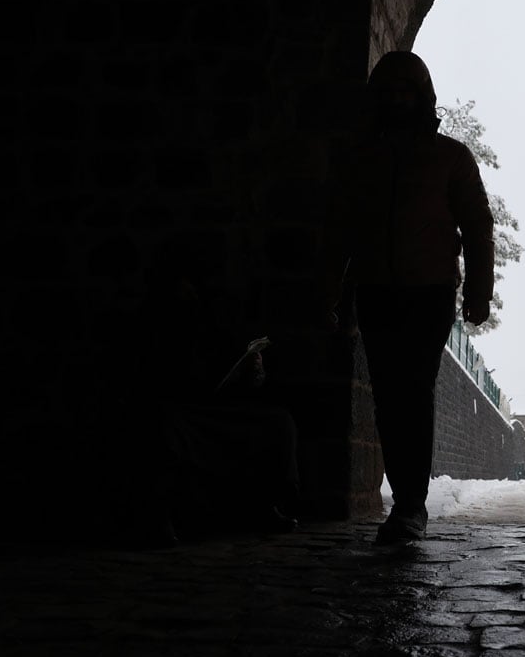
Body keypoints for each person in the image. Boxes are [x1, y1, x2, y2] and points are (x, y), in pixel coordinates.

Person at [321, 50, 495, 545]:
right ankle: (406, 499)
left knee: (413, 393)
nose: (398, 101)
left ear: (421, 98)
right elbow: (340, 230)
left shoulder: (450, 158)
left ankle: (410, 504)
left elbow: (477, 225)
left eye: (406, 92)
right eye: (390, 92)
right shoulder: (363, 160)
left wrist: (478, 291)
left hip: (429, 293)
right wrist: (330, 290)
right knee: (388, 396)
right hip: (376, 288)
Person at [127, 241, 300, 546]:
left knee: (278, 423)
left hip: (216, 408)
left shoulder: (211, 316)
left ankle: (264, 505)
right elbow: (150, 376)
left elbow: (236, 371)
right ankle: (159, 517)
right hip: (179, 409)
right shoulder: (153, 321)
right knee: (162, 426)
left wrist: (254, 370)